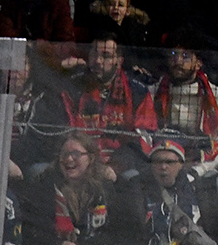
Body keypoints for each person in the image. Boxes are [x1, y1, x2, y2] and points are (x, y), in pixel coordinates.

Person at [24, 131, 141, 245]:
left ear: (91, 158)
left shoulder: (106, 190)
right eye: (64, 154)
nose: (69, 159)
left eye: (76, 154)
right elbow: (34, 229)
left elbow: (118, 232)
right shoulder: (44, 188)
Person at [133, 139, 218, 245]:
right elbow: (124, 240)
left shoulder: (198, 191)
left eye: (169, 162)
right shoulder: (137, 190)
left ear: (181, 164)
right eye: (158, 161)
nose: (163, 167)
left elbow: (217, 235)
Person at [61, 36, 157, 181]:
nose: (98, 61)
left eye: (105, 56)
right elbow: (63, 131)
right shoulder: (72, 88)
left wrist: (115, 166)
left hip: (121, 168)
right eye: (94, 55)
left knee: (133, 178)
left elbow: (143, 139)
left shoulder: (138, 93)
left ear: (119, 61)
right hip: (76, 163)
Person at [149, 36, 218, 182]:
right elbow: (145, 136)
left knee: (217, 185)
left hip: (198, 169)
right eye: (174, 55)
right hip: (159, 164)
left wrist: (195, 173)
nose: (178, 61)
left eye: (185, 56)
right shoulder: (152, 93)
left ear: (198, 63)